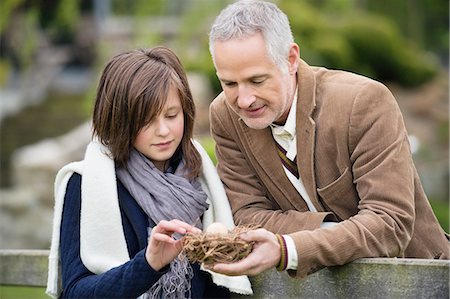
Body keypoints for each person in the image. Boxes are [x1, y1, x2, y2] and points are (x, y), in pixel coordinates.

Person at [207, 0, 450, 278]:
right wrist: (335, 234)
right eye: (229, 84)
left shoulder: (364, 101)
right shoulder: (223, 115)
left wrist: (288, 248)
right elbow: (247, 216)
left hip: (414, 278)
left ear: (291, 59)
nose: (244, 99)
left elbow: (390, 223)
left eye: (257, 80)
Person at [46, 47, 252, 298]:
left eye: (171, 115)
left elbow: (215, 288)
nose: (164, 130)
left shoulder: (199, 177)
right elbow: (76, 292)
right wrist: (148, 264)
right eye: (147, 120)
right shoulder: (87, 183)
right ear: (119, 120)